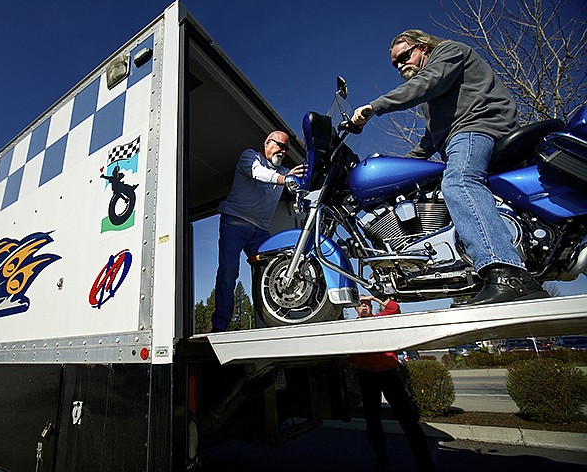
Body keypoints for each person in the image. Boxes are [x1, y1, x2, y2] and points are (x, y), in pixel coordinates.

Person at [351, 30, 548, 307]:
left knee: (459, 183)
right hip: (462, 135)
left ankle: (507, 274)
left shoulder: (448, 53)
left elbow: (425, 83)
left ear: (424, 47)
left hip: (477, 128)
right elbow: (432, 138)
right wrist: (399, 167)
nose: (400, 65)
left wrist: (375, 106)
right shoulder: (437, 98)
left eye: (404, 56)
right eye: (395, 64)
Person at [210, 131, 305, 332]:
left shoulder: (285, 172)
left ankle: (273, 322)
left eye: (286, 148)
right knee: (229, 272)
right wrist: (284, 178)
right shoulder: (250, 156)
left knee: (273, 273)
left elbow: (298, 185)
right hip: (234, 222)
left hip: (260, 231)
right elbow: (258, 173)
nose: (283, 150)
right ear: (267, 143)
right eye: (280, 145)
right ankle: (220, 326)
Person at [352, 296, 436, 472]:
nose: (364, 307)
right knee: (372, 421)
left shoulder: (381, 320)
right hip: (366, 376)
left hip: (388, 374)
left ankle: (424, 461)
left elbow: (394, 308)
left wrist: (373, 296)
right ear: (356, 309)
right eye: (360, 305)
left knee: (407, 419)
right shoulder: (351, 327)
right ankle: (382, 458)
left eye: (367, 304)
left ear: (372, 307)